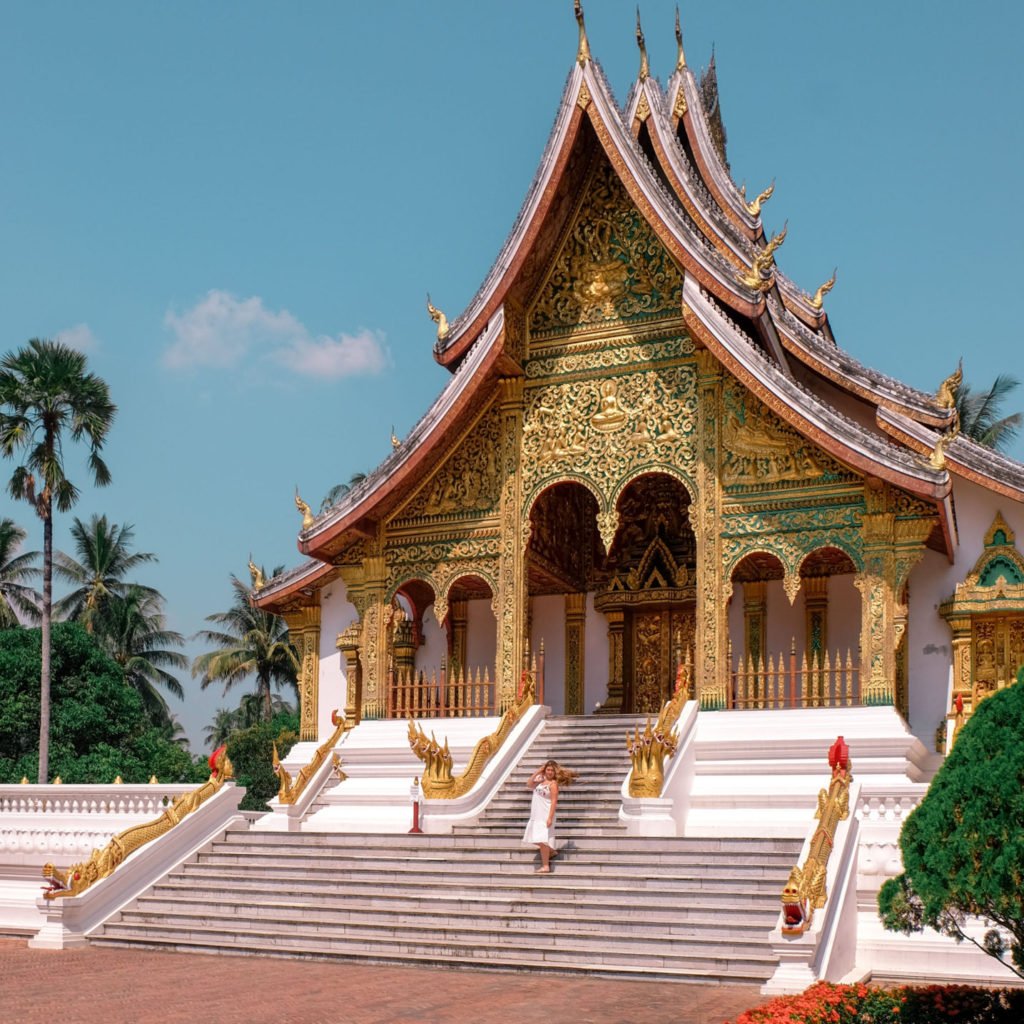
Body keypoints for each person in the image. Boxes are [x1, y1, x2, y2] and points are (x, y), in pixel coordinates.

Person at [523, 759, 577, 873]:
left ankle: (545, 866)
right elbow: (528, 784)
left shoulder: (553, 785)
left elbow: (553, 802)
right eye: (548, 769)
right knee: (533, 838)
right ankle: (551, 852)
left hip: (545, 815)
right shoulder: (540, 780)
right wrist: (539, 771)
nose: (549, 772)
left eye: (552, 770)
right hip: (536, 815)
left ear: (554, 772)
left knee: (543, 840)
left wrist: (550, 818)